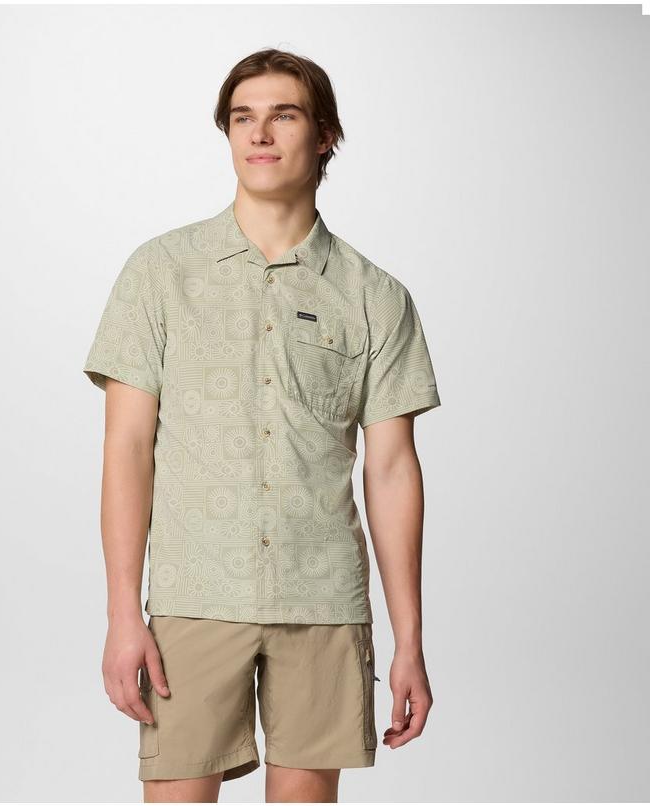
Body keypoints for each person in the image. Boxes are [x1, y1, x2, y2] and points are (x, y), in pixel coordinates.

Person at [83, 47, 442, 804]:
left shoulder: (376, 297)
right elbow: (127, 449)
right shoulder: (160, 273)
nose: (260, 133)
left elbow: (391, 470)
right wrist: (122, 616)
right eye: (243, 117)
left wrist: (409, 640)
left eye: (284, 114)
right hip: (193, 595)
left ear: (325, 135)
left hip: (323, 602)